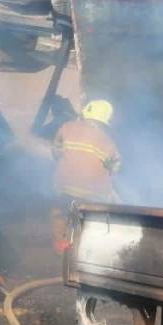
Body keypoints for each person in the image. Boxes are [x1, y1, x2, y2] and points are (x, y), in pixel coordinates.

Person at [50, 99, 121, 253]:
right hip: (94, 195)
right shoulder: (107, 141)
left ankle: (61, 247)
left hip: (64, 188)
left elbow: (55, 151)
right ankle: (81, 252)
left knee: (59, 214)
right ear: (105, 121)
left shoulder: (67, 127)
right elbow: (115, 168)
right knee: (88, 223)